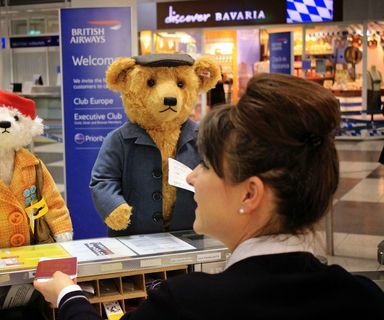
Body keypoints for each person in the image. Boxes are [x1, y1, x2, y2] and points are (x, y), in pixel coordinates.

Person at [34, 73, 384, 319]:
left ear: (250, 194)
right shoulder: (363, 297)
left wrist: (67, 294)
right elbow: (103, 180)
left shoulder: (187, 303)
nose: (193, 175)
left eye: (208, 165)